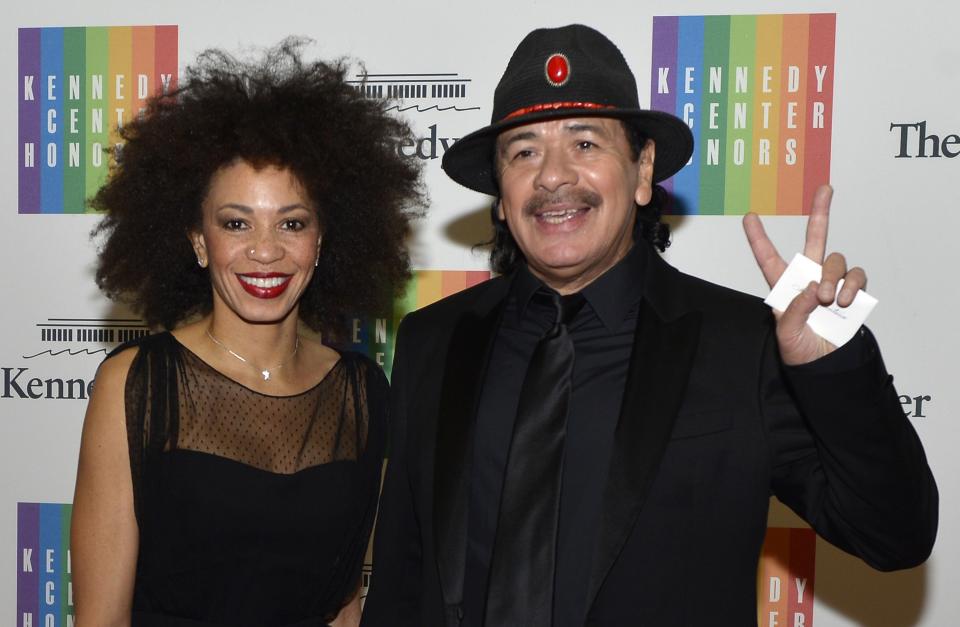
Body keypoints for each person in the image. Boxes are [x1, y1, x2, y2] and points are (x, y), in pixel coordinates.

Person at [362, 24, 938, 627]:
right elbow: (401, 579)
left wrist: (830, 365)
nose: (553, 175)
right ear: (501, 198)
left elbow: (895, 536)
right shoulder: (433, 339)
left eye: (585, 145)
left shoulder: (744, 345)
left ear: (642, 172)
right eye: (524, 151)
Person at [71, 40, 423, 627]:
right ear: (198, 240)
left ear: (323, 241)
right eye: (236, 223)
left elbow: (345, 609)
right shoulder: (138, 385)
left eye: (292, 223)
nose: (266, 251)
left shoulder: (362, 392)